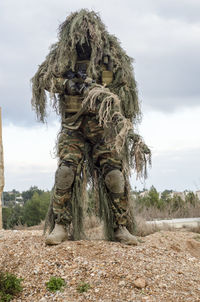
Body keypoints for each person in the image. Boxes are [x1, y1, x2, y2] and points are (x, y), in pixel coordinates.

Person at [31, 9, 151, 245]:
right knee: (66, 171)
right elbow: (43, 78)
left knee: (114, 174)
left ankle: (121, 227)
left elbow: (125, 88)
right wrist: (69, 86)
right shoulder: (62, 56)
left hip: (103, 127)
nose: (84, 38)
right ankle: (61, 225)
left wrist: (103, 95)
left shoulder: (110, 55)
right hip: (72, 125)